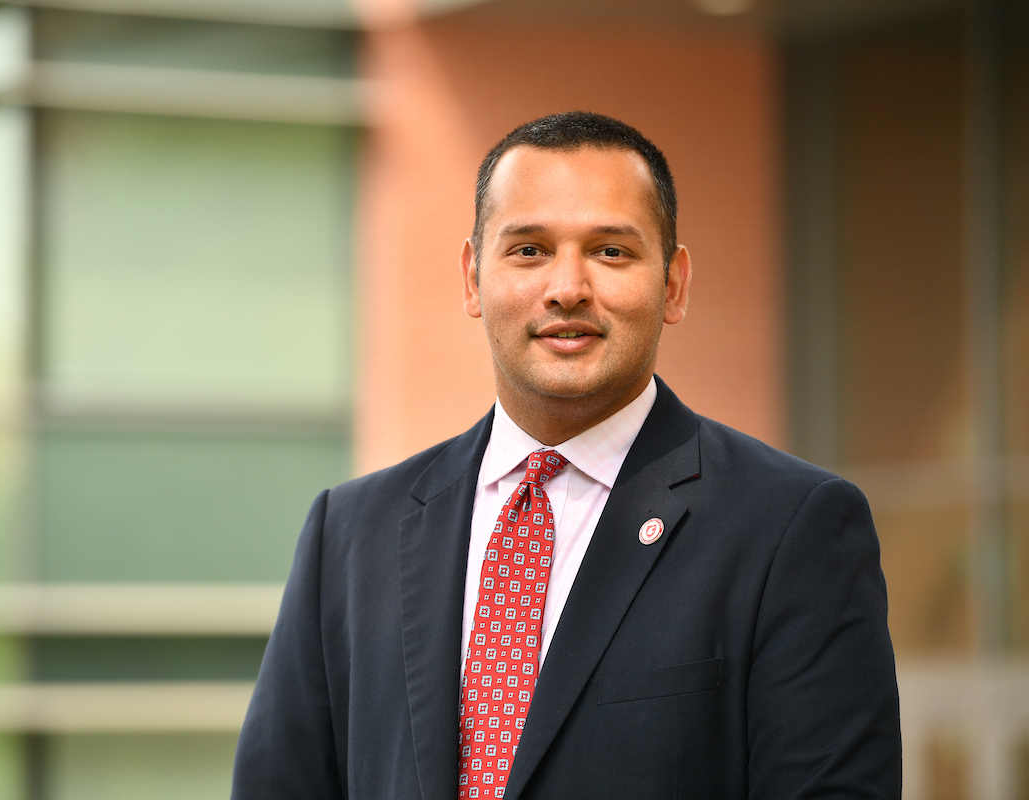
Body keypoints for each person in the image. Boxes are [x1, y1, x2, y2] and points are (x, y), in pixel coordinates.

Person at [232, 111, 901, 799]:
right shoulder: (348, 533)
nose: (567, 288)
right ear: (472, 277)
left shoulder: (791, 528)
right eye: (528, 250)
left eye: (611, 251)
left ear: (673, 284)